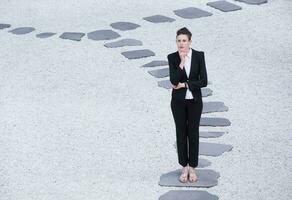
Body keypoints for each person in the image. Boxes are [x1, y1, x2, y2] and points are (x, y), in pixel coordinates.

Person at [167, 27, 208, 183]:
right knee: (181, 133)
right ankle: (184, 166)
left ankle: (193, 167)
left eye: (184, 41)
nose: (181, 44)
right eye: (178, 41)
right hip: (177, 102)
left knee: (193, 133)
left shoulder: (199, 56)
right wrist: (182, 61)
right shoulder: (172, 57)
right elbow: (173, 81)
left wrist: (185, 85)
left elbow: (203, 81)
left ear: (190, 41)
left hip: (195, 102)